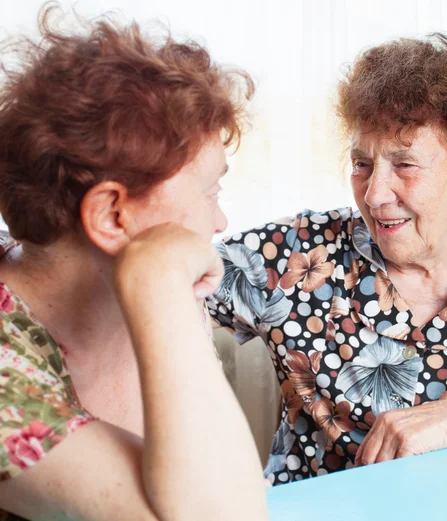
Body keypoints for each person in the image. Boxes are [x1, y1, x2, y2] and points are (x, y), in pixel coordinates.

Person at [207, 34, 447, 486]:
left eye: (405, 164)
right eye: (362, 163)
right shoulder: (298, 254)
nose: (374, 195)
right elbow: (155, 285)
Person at [0, 7, 268, 521]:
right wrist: (160, 279)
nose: (220, 219)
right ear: (112, 215)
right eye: (210, 190)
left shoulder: (142, 290)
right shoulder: (157, 281)